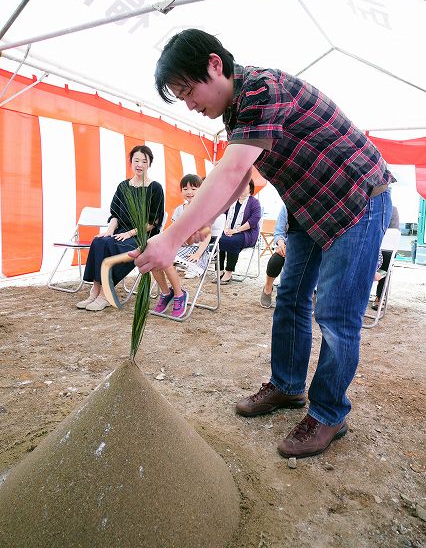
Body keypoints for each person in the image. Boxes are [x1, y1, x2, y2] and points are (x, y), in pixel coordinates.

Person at [131, 29, 394, 459]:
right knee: (290, 296)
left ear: (215, 65)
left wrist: (172, 236)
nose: (189, 104)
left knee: (334, 313)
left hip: (358, 199)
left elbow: (233, 170)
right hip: (310, 208)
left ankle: (330, 413)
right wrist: (207, 220)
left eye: (187, 90)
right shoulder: (236, 115)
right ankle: (289, 388)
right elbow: (244, 181)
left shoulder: (261, 89)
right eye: (180, 97)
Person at [76, 145, 164, 311]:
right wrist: (109, 231)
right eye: (136, 160)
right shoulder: (123, 186)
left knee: (115, 246)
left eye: (144, 161)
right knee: (100, 242)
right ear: (131, 162)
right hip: (120, 231)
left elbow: (154, 221)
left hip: (142, 235)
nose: (140, 164)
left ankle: (105, 294)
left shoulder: (155, 188)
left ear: (149, 163)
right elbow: (115, 214)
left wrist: (129, 233)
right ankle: (95, 290)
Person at [152, 174, 211, 318]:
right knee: (154, 260)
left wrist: (198, 254)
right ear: (181, 191)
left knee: (165, 260)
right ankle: (166, 293)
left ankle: (179, 295)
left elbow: (207, 235)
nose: (189, 192)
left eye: (193, 188)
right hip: (179, 246)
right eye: (185, 188)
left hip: (196, 248)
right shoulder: (180, 209)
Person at [218, 178, 261, 284]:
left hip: (247, 233)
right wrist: (225, 229)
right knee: (218, 240)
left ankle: (228, 272)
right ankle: (219, 270)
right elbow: (222, 215)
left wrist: (236, 230)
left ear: (250, 188)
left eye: (245, 185)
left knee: (232, 241)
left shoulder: (254, 202)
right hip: (229, 230)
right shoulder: (231, 200)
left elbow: (253, 221)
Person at [372, 205, 400, 310]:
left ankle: (379, 296)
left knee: (387, 253)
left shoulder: (391, 209)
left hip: (382, 249)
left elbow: (392, 237)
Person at [260, 204, 288, 308]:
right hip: (288, 245)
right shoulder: (286, 207)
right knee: (276, 259)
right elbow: (279, 232)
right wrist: (281, 244)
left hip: (309, 248)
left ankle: (312, 292)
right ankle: (267, 288)